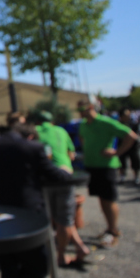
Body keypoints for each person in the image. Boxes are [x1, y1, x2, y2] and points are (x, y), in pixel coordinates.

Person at [0, 123, 71, 278]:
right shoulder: (34, 148)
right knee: (40, 265)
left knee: (8, 267)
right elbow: (55, 175)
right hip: (29, 215)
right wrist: (65, 169)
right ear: (30, 137)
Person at [77, 101, 138, 248]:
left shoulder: (106, 122)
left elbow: (131, 136)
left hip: (106, 167)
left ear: (91, 108)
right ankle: (109, 228)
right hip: (92, 166)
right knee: (102, 198)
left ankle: (113, 230)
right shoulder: (84, 124)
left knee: (109, 199)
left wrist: (117, 152)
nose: (80, 112)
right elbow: (81, 138)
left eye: (82, 109)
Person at [34, 111, 89, 267]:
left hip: (46, 178)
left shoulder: (35, 132)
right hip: (66, 176)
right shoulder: (61, 131)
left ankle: (59, 255)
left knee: (52, 218)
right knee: (65, 218)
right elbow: (71, 154)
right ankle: (70, 250)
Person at [118, 109, 140, 185]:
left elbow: (137, 133)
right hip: (121, 146)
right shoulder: (117, 124)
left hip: (133, 146)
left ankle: (136, 177)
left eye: (129, 114)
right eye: (126, 115)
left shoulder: (133, 123)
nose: (129, 116)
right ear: (121, 116)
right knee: (121, 163)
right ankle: (122, 176)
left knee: (135, 162)